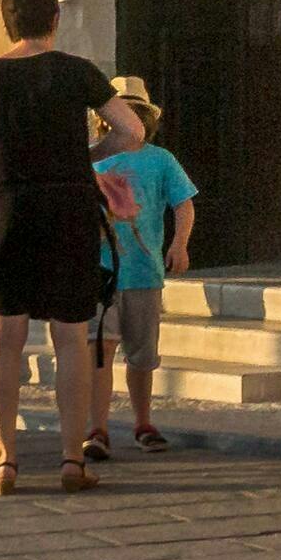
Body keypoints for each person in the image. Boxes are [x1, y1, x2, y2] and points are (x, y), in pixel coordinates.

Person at [0, 0, 115, 495]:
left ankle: (5, 463)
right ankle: (70, 459)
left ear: (7, 22)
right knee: (70, 337)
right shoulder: (78, 73)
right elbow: (131, 131)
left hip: (8, 206)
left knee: (5, 337)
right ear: (54, 20)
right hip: (68, 206)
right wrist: (83, 160)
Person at [94, 82, 198, 456]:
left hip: (143, 271)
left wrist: (179, 244)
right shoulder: (91, 158)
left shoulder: (161, 160)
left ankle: (142, 421)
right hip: (99, 273)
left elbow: (183, 203)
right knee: (99, 351)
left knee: (141, 355)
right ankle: (97, 428)